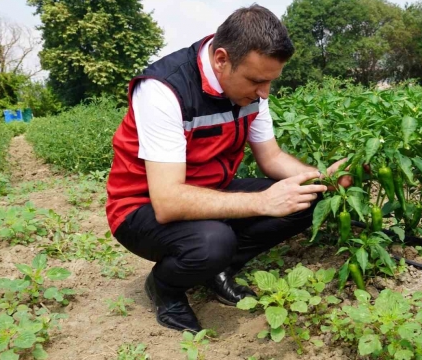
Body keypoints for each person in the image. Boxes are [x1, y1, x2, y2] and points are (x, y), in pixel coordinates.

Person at [105, 4, 350, 333]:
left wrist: (324, 179)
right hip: (141, 206)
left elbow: (271, 157)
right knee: (212, 242)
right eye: (256, 81)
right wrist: (262, 202)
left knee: (308, 196)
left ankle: (218, 270)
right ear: (221, 60)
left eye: (269, 83)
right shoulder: (164, 90)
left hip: (212, 192)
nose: (264, 93)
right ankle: (166, 288)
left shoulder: (252, 93)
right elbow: (168, 202)